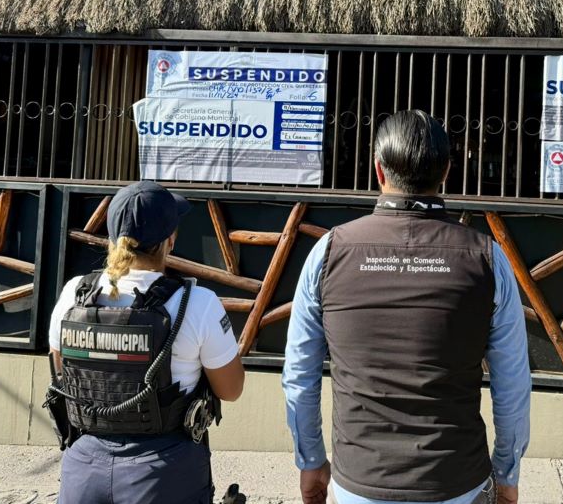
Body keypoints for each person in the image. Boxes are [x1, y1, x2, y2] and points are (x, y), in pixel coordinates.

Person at [282, 109, 532, 504]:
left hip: (359, 482)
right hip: (457, 482)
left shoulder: (329, 251)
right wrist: (507, 472)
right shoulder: (487, 257)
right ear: (447, 171)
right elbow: (513, 382)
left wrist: (310, 460)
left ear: (378, 171)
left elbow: (299, 374)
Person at [47, 181, 246, 504]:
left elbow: (61, 369)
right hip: (165, 472)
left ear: (112, 238)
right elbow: (231, 389)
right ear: (171, 239)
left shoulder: (75, 293)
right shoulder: (197, 303)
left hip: (83, 467)